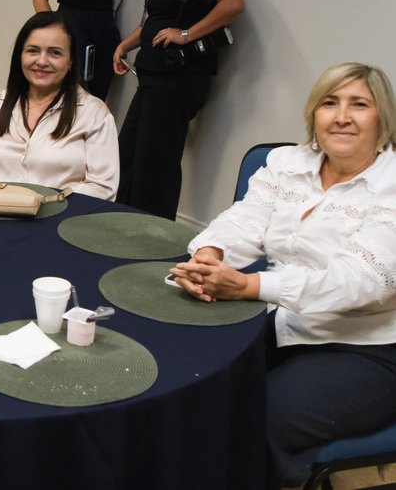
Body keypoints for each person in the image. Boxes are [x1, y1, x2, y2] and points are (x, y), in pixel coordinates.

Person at [169, 63, 396, 488]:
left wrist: (252, 285)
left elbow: (363, 280)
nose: (342, 116)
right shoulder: (289, 163)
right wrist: (210, 254)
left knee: (254, 420)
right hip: (283, 322)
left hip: (367, 348)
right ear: (314, 114)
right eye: (330, 103)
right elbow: (246, 219)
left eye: (359, 105)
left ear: (382, 118)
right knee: (190, 380)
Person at [113, 0, 245, 219]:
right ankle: (119, 225)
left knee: (154, 163)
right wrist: (125, 46)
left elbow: (233, 4)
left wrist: (184, 35)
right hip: (152, 77)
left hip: (176, 80)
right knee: (129, 153)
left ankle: (150, 238)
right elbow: (153, 20)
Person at [0, 11, 118, 199]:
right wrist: (2, 199)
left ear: (71, 61)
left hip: (60, 219)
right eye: (33, 50)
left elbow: (103, 189)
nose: (42, 61)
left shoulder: (94, 114)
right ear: (20, 56)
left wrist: (45, 202)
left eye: (55, 53)